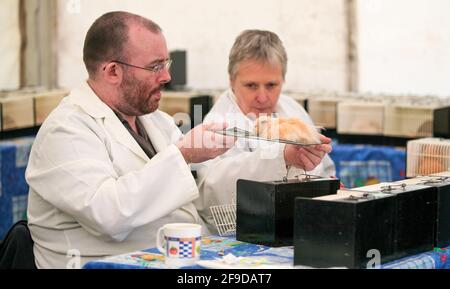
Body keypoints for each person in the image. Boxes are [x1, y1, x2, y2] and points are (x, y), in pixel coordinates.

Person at [25, 11, 235, 269]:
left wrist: (280, 160)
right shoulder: (65, 130)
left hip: (172, 261)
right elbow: (107, 215)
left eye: (166, 64)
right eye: (155, 66)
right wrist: (183, 155)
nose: (167, 77)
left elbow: (204, 188)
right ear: (113, 71)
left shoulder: (155, 120)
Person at [194, 30, 336, 233]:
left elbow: (327, 171)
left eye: (271, 85)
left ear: (283, 80)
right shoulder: (216, 125)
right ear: (231, 80)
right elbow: (211, 195)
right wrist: (282, 159)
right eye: (251, 85)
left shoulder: (292, 109)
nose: (262, 97)